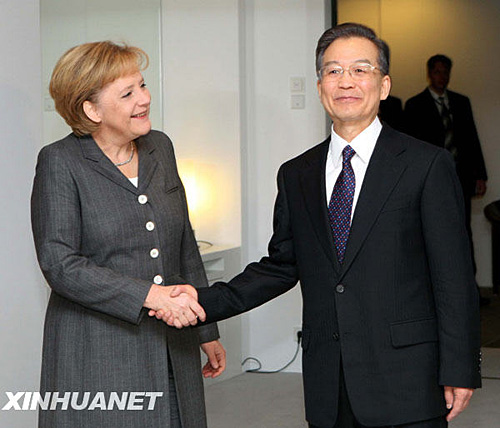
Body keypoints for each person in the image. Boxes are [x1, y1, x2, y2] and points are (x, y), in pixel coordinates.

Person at [157, 24, 482, 428]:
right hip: (329, 379)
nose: (346, 81)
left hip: (408, 378)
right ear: (319, 86)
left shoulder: (426, 165)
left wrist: (460, 366)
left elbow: (453, 277)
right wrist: (204, 302)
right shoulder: (297, 174)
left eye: (360, 70)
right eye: (333, 71)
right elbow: (281, 265)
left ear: (384, 86)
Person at [31, 41, 226, 428]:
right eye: (128, 93)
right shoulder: (60, 161)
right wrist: (151, 296)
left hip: (173, 344)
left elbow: (184, 245)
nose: (145, 99)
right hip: (98, 351)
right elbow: (60, 264)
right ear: (92, 110)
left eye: (143, 85)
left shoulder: (160, 147)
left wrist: (206, 327)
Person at [404, 55, 488, 294]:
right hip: (429, 179)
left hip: (461, 177)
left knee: (463, 230)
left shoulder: (461, 102)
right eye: (438, 72)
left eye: (446, 72)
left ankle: (468, 287)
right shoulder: (415, 105)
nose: (442, 77)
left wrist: (480, 175)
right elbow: (411, 146)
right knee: (430, 230)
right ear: (429, 74)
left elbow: (472, 139)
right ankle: (433, 288)